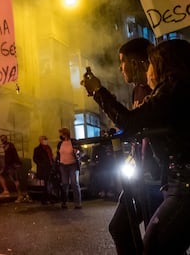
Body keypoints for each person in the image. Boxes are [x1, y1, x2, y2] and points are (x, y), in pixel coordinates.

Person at [81, 39, 190, 254]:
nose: (149, 68)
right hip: (170, 177)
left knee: (157, 244)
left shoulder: (173, 88)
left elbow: (131, 122)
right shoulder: (169, 89)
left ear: (162, 64)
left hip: (181, 180)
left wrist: (98, 92)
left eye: (151, 62)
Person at [108, 37, 164, 254]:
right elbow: (135, 126)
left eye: (122, 62)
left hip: (157, 176)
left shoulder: (160, 87)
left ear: (134, 62)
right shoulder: (137, 91)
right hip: (138, 173)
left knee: (156, 237)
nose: (120, 69)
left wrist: (99, 92)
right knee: (120, 227)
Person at [56, 127, 82, 209]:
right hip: (63, 165)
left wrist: (78, 152)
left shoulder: (73, 142)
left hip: (73, 165)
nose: (60, 135)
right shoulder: (60, 143)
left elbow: (82, 152)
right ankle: (64, 202)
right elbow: (58, 154)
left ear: (65, 134)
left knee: (74, 183)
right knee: (64, 184)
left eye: (61, 133)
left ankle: (77, 203)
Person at [0, 135, 23, 202]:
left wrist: (11, 165)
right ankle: (6, 191)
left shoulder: (10, 145)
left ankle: (20, 196)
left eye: (3, 139)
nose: (2, 141)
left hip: (13, 165)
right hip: (10, 165)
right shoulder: (7, 146)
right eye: (1, 139)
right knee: (1, 175)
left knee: (15, 180)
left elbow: (12, 156)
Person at [33, 135, 55, 204]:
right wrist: (41, 164)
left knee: (48, 184)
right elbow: (35, 159)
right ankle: (47, 199)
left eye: (46, 139)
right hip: (43, 169)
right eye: (43, 139)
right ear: (40, 141)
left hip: (50, 167)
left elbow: (50, 156)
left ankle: (47, 199)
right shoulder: (37, 149)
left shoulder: (48, 147)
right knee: (46, 184)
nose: (45, 140)